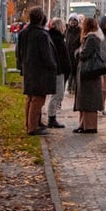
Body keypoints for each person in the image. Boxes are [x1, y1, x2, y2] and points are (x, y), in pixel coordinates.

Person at [14, 7, 57, 136]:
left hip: (28, 69)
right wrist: (53, 65)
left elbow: (18, 52)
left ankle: (29, 124)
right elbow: (46, 55)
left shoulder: (24, 32)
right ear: (40, 18)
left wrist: (22, 65)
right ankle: (32, 127)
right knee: (38, 99)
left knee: (30, 98)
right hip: (40, 71)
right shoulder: (41, 34)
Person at [73, 16, 105, 133]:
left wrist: (77, 53)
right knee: (84, 98)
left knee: (88, 99)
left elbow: (84, 54)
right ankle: (83, 124)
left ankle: (89, 126)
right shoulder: (90, 38)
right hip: (88, 71)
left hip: (89, 71)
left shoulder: (91, 38)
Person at [44, 17, 73, 128]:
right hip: (59, 70)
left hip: (58, 69)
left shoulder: (51, 37)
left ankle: (52, 116)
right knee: (58, 94)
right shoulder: (58, 39)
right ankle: (52, 117)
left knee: (57, 94)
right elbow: (62, 56)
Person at [64, 15, 82, 93]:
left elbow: (81, 42)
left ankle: (73, 87)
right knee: (68, 72)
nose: (72, 23)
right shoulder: (66, 30)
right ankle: (69, 86)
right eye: (71, 21)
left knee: (74, 72)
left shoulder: (80, 31)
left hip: (75, 55)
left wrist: (78, 51)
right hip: (67, 54)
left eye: (74, 21)